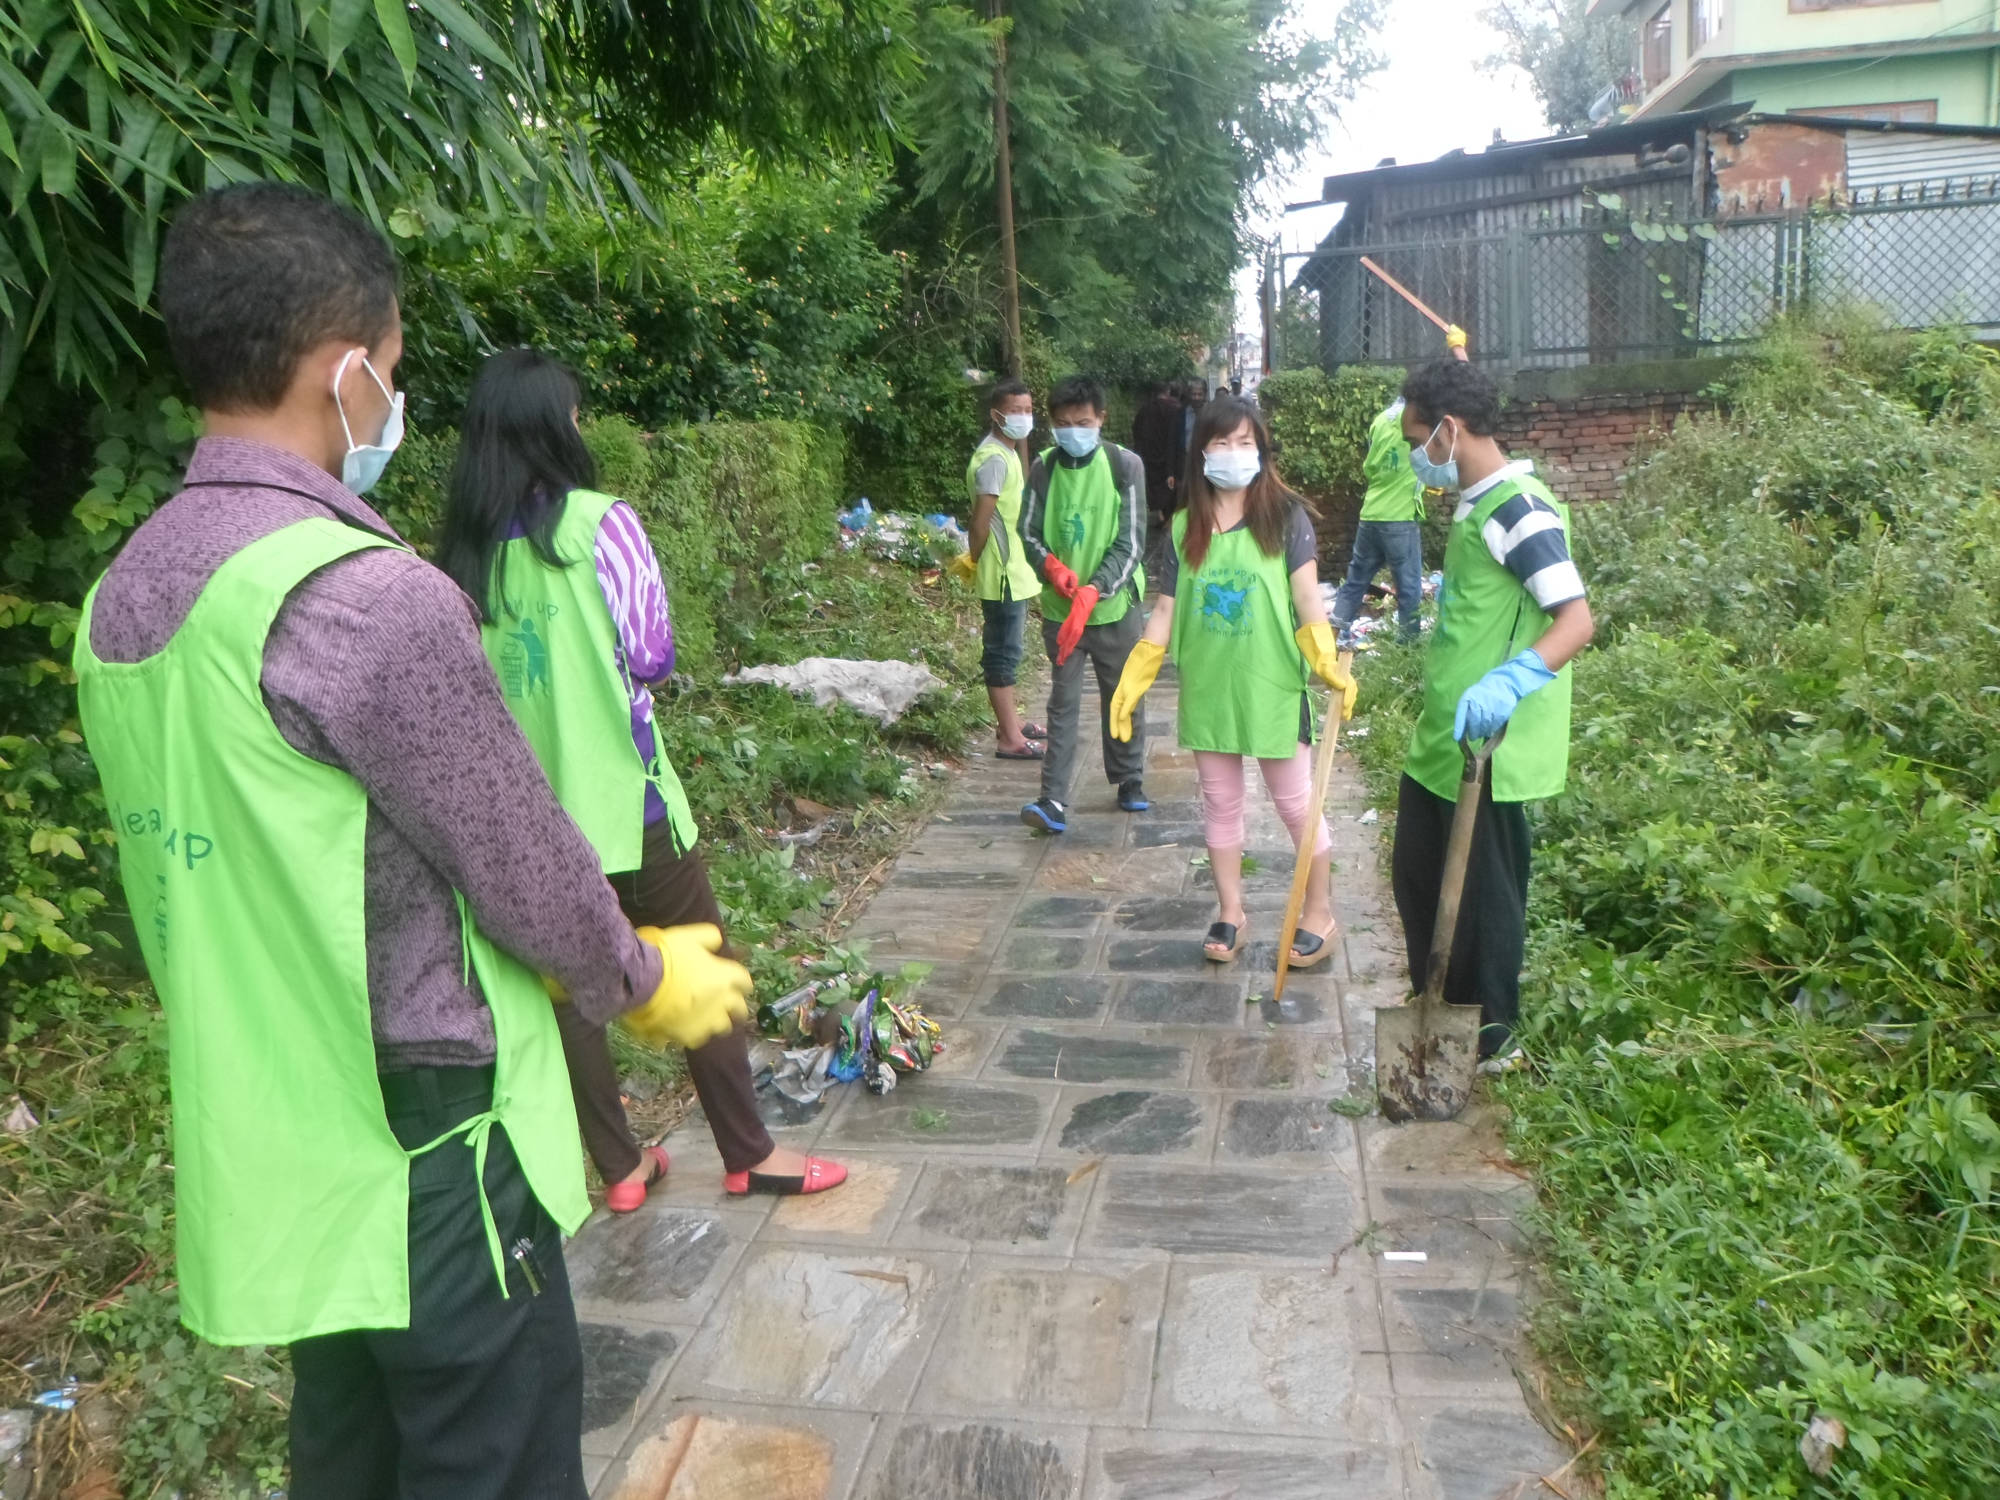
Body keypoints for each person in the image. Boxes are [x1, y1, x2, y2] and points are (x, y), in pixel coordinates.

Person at [73, 183, 750, 1497]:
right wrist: (644, 978)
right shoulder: (367, 600)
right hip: (436, 1143)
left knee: (349, 1461)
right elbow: (523, 869)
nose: (393, 400)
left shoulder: (126, 599)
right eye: (390, 369)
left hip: (284, 1135)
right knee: (492, 1463)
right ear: (344, 372)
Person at [436, 349, 848, 1206]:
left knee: (570, 992)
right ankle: (749, 1154)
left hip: (528, 827)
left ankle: (620, 1169)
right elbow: (653, 654)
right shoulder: (602, 524)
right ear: (554, 427)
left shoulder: (459, 556)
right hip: (631, 803)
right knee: (704, 964)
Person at [1392, 357, 1594, 1064]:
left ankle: (1491, 1040)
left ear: (1448, 430)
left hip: (1488, 750)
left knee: (1483, 902)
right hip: (1444, 741)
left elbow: (1575, 620)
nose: (1416, 455)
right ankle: (1438, 1015)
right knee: (1418, 879)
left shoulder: (1519, 509)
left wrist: (1510, 682)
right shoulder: (1477, 504)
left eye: (1417, 439)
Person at [1106, 395, 1357, 962]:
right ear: (1201, 453)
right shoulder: (1184, 527)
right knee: (1220, 803)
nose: (1233, 452)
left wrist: (1324, 659)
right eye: (1221, 442)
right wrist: (1137, 673)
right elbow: (1166, 609)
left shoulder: (1286, 518)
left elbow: (1306, 598)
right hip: (1209, 685)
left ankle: (1319, 912)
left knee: (1295, 804)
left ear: (1261, 450)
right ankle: (1230, 912)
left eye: (1245, 442)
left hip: (1272, 685)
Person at [1016, 374, 1150, 833]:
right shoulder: (1043, 468)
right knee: (1062, 703)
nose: (1073, 431)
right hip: (1062, 613)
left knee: (1123, 695)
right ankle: (1052, 798)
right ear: (1052, 423)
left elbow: (1131, 542)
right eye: (1064, 423)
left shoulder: (1124, 465)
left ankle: (1129, 778)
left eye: (1083, 422)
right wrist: (1050, 567)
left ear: (1101, 419)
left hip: (1114, 610)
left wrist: (1095, 589)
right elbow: (1028, 532)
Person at [1332, 326, 1466, 646]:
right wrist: (1459, 349)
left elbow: (1370, 465)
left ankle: (1332, 637)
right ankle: (1408, 647)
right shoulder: (1418, 420)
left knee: (1355, 581)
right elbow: (1466, 396)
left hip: (1371, 513)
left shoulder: (1380, 420)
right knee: (1409, 589)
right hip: (1399, 517)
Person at [950, 377, 1048, 760]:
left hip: (1013, 570)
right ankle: (1010, 738)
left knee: (1011, 650)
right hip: (1001, 573)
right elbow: (980, 522)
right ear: (996, 415)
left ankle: (1011, 723)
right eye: (1015, 411)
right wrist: (975, 560)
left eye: (1028, 410)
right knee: (1002, 653)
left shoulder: (1006, 453)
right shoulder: (993, 459)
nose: (1023, 417)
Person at [1129, 379, 1186, 530]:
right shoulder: (1175, 409)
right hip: (1170, 454)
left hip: (1149, 455)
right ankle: (1170, 517)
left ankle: (1162, 514)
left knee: (1155, 486)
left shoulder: (1144, 410)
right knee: (1170, 487)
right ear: (1168, 391)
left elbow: (1137, 431)